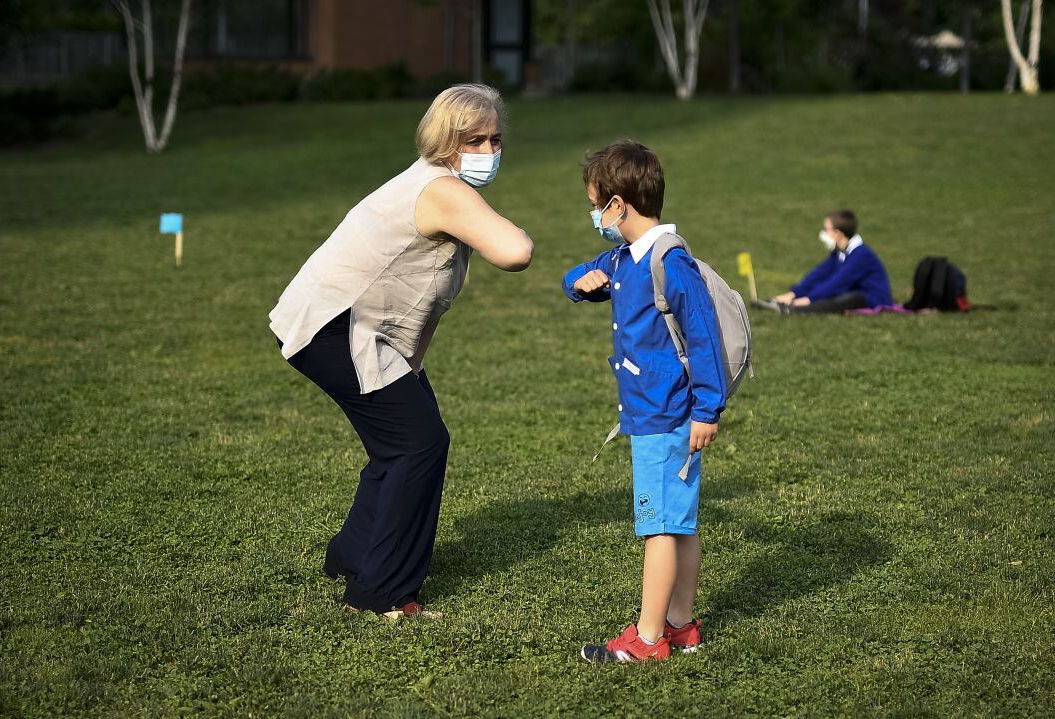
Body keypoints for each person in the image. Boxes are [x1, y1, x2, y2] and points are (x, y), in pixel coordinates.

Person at [269, 84, 533, 618]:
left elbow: (428, 299)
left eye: (495, 139)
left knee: (405, 440)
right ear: (444, 140)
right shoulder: (444, 190)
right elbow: (515, 251)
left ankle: (353, 555)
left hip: (354, 327)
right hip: (333, 327)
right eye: (473, 140)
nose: (487, 152)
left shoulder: (438, 185)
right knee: (418, 444)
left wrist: (413, 368)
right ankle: (381, 593)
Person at [561, 141, 726, 662]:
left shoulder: (669, 262)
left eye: (595, 203)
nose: (593, 214)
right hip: (656, 411)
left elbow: (703, 337)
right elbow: (578, 275)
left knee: (658, 527)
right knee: (681, 523)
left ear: (618, 205)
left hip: (667, 415)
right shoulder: (622, 258)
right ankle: (681, 626)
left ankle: (647, 639)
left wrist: (707, 409)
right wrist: (579, 283)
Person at [759, 209, 892, 314]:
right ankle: (783, 303)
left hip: (873, 298)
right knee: (824, 288)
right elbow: (819, 274)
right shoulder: (839, 252)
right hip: (852, 291)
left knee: (839, 297)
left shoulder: (861, 255)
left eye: (826, 229)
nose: (823, 234)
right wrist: (794, 293)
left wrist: (807, 300)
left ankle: (793, 309)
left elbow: (838, 282)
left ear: (838, 233)